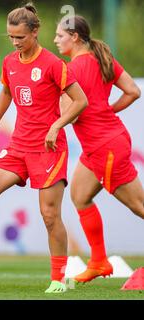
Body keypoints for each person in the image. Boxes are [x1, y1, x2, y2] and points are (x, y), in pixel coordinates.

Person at [0, 2, 88, 293]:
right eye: (11, 37)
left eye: (20, 37)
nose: (15, 42)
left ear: (35, 32)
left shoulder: (53, 65)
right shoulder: (10, 62)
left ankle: (59, 278)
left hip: (48, 149)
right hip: (19, 146)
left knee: (50, 216)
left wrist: (57, 125)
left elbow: (80, 101)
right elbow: (7, 92)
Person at [54, 15, 143, 283]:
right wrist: (108, 110)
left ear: (75, 37)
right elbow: (133, 91)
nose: (56, 40)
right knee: (80, 195)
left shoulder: (73, 70)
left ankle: (99, 261)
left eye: (60, 35)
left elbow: (70, 113)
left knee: (139, 205)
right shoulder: (102, 59)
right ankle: (99, 262)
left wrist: (54, 118)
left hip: (105, 147)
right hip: (104, 143)